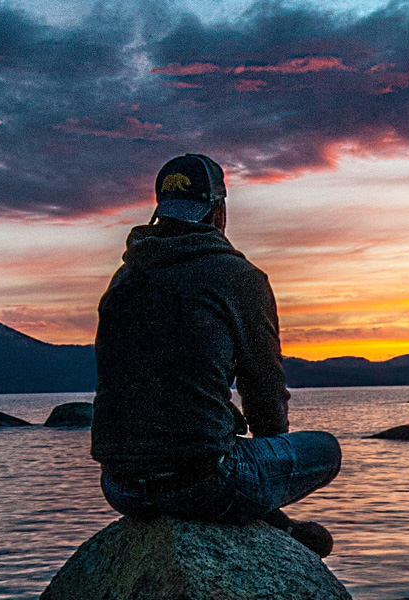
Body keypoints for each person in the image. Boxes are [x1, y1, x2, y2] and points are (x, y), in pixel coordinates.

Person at [91, 152, 340, 556]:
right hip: (201, 485)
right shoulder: (238, 278)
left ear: (161, 213)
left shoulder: (122, 280)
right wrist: (266, 464)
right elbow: (264, 390)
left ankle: (266, 517)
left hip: (120, 487)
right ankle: (270, 522)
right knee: (326, 449)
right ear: (218, 212)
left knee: (218, 436)